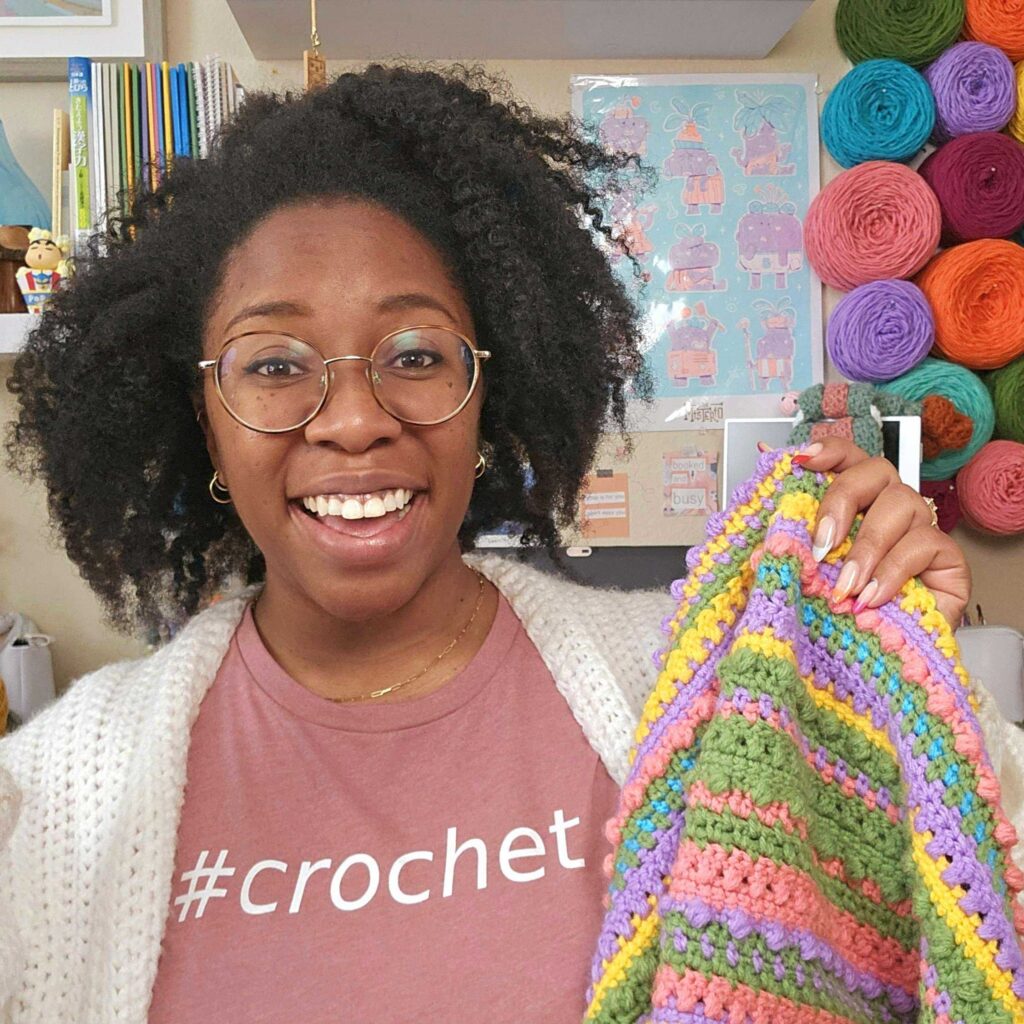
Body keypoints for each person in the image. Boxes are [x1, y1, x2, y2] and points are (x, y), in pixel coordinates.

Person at [0, 65, 979, 1022]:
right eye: (272, 363)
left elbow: (931, 930)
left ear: (490, 395)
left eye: (417, 355)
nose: (352, 419)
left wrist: (892, 690)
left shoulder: (699, 674)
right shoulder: (58, 793)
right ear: (202, 421)